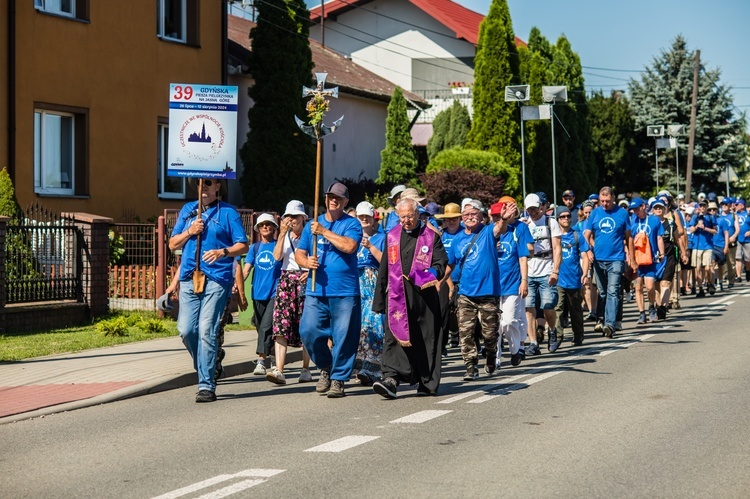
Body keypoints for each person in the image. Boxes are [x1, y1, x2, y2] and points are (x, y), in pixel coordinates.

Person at [169, 178, 249, 403]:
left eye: (208, 183)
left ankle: (206, 385)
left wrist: (223, 252)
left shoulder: (228, 213)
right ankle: (207, 364)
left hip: (217, 278)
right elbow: (172, 244)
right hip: (188, 277)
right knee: (186, 330)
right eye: (199, 184)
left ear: (217, 187)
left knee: (206, 329)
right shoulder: (187, 210)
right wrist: (190, 231)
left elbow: (243, 245)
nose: (202, 187)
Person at [371, 198, 448, 398]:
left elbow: (441, 263)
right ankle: (390, 379)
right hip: (397, 296)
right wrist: (379, 299)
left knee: (425, 340)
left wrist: (426, 274)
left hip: (424, 298)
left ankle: (426, 382)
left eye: (410, 216)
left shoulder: (431, 236)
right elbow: (384, 269)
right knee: (393, 337)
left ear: (417, 214)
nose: (406, 220)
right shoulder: (392, 236)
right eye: (402, 217)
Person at [296, 182, 363, 398]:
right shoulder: (311, 226)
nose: (333, 200)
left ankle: (339, 378)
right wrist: (306, 262)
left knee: (344, 336)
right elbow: (299, 253)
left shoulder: (351, 224)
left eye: (339, 198)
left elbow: (350, 246)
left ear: (345, 202)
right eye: (330, 196)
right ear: (325, 199)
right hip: (316, 289)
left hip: (344, 291)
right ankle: (326, 366)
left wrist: (324, 232)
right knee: (308, 331)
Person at [446, 200, 513, 381]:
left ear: (482, 216)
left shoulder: (487, 231)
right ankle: (470, 367)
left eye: (474, 214)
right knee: (465, 334)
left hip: (488, 292)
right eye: (466, 214)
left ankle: (491, 355)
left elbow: (498, 228)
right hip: (466, 294)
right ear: (461, 218)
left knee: (489, 333)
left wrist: (503, 220)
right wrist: (440, 281)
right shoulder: (457, 239)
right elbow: (450, 264)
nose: (470, 217)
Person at [269, 200, 312, 384]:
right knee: (281, 325)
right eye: (289, 216)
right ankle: (279, 370)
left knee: (306, 326)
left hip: (304, 280)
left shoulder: (309, 235)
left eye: (295, 216)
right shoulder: (284, 236)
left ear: (303, 218)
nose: (292, 220)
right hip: (286, 281)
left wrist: (309, 272)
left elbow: (318, 257)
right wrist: (281, 234)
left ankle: (305, 368)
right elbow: (277, 257)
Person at [584, 186, 633, 339]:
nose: (604, 204)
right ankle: (604, 319)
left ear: (613, 198)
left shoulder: (622, 214)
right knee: (603, 292)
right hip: (598, 259)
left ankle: (610, 324)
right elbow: (586, 234)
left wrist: (631, 256)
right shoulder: (595, 213)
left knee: (612, 291)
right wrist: (588, 250)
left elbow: (629, 237)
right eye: (602, 201)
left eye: (607, 201)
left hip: (616, 258)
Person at [490, 200, 529, 365]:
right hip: (492, 286)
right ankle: (496, 357)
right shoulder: (488, 234)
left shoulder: (515, 232)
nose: (498, 219)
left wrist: (524, 281)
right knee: (495, 325)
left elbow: (522, 258)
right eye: (495, 217)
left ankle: (514, 350)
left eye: (500, 216)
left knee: (508, 321)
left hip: (512, 284)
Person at [523, 193, 562, 355]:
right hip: (530, 270)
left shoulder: (550, 222)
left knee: (547, 306)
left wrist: (555, 271)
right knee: (529, 308)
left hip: (546, 269)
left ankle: (552, 331)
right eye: (529, 209)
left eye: (534, 208)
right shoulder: (524, 224)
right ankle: (533, 342)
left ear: (540, 206)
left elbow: (557, 248)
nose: (532, 212)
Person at [244, 213, 281, 378]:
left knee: (266, 326)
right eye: (262, 225)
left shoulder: (279, 246)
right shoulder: (255, 248)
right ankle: (273, 354)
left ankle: (261, 361)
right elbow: (246, 268)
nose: (265, 227)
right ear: (258, 229)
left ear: (274, 227)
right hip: (257, 293)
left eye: (268, 224)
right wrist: (237, 284)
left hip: (275, 292)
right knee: (260, 327)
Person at [353, 201, 386, 386]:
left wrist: (370, 247)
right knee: (359, 326)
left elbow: (385, 262)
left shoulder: (381, 237)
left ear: (373, 219)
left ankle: (373, 366)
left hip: (372, 282)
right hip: (355, 282)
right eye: (361, 217)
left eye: (367, 217)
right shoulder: (352, 237)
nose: (364, 220)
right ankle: (360, 367)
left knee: (373, 324)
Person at [555, 205, 590, 346]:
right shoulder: (554, 237)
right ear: (557, 219)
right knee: (557, 307)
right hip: (558, 279)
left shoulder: (577, 235)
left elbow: (585, 256)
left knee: (575, 310)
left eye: (568, 216)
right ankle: (557, 336)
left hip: (574, 278)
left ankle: (578, 334)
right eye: (562, 216)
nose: (566, 219)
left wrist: (585, 273)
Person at [629, 198, 665, 324]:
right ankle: (641, 313)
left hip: (651, 259)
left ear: (644, 206)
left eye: (637, 208)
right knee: (638, 287)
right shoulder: (632, 221)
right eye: (633, 210)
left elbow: (659, 237)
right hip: (637, 260)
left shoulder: (654, 220)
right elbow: (628, 239)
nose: (635, 211)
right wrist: (629, 257)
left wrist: (662, 253)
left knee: (650, 287)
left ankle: (651, 307)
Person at [434, 202, 463, 349]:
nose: (451, 221)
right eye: (448, 219)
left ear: (460, 218)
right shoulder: (441, 236)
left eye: (454, 218)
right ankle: (443, 344)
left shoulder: (466, 233)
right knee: (443, 312)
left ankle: (472, 340)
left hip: (464, 279)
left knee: (464, 313)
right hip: (445, 279)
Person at [688, 200, 717, 298]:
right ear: (699, 207)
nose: (702, 207)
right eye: (701, 205)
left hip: (708, 245)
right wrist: (697, 226)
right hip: (697, 246)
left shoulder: (711, 217)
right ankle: (700, 288)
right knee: (697, 269)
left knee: (708, 267)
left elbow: (715, 231)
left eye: (704, 205)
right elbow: (690, 230)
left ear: (707, 206)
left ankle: (710, 283)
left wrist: (705, 228)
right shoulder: (695, 217)